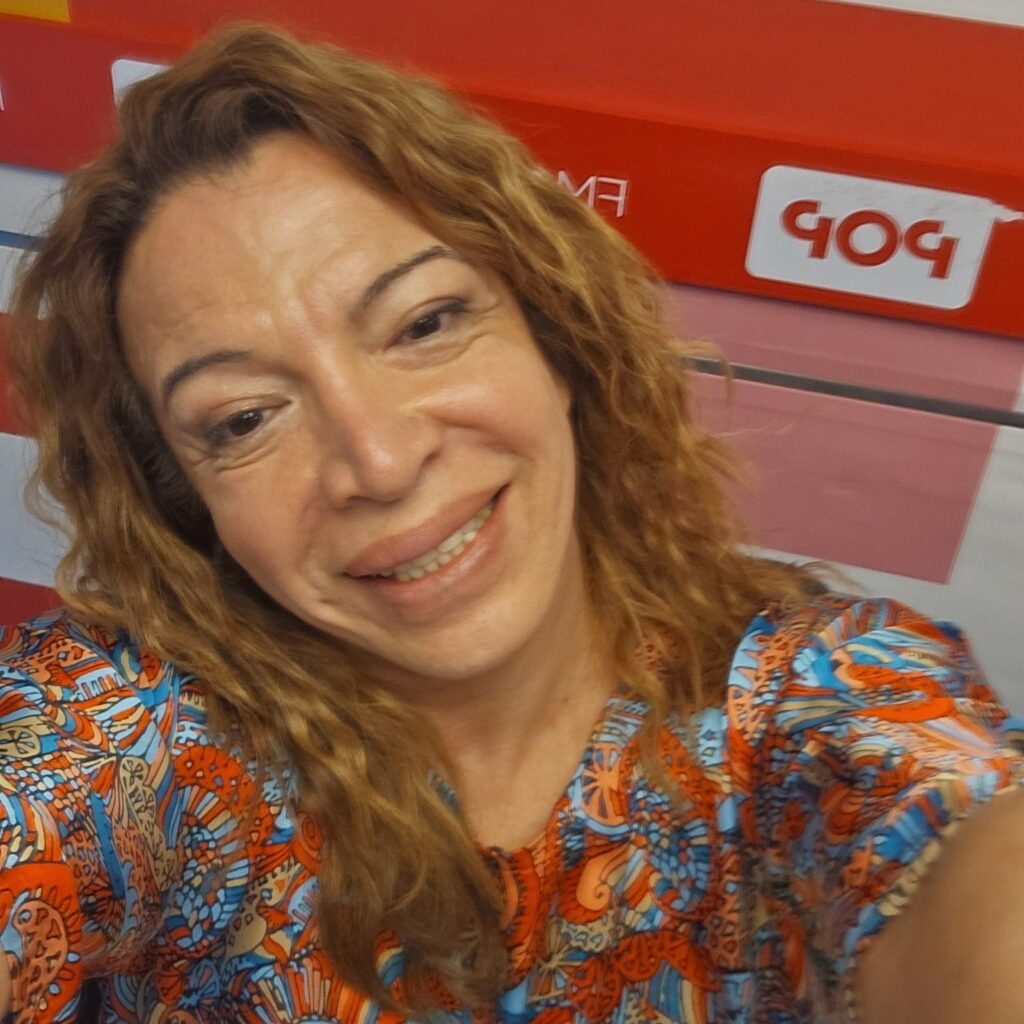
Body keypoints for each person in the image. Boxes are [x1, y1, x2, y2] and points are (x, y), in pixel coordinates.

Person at [1, 22, 1022, 1024]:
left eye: (425, 323)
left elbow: (960, 857)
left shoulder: (823, 702)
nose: (380, 461)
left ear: (553, 334)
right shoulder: (127, 725)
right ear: (188, 500)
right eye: (244, 419)